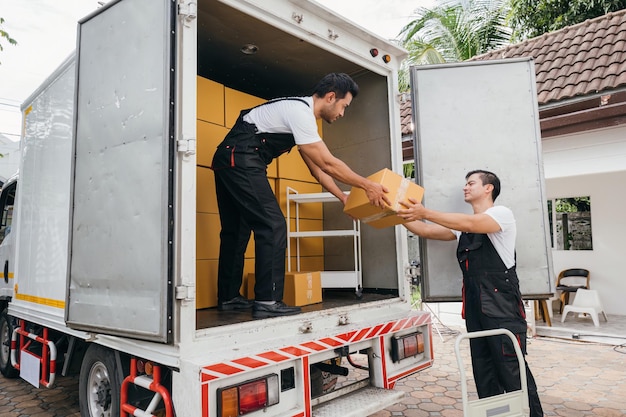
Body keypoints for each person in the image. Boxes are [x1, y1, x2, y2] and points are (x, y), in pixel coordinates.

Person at [210, 73, 390, 319]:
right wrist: (367, 185)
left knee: (237, 230)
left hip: (228, 160)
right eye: (343, 106)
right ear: (330, 97)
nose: (342, 113)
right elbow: (328, 163)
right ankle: (267, 300)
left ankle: (229, 297)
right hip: (241, 159)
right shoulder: (300, 112)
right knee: (272, 226)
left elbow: (316, 169)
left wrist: (342, 196)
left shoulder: (299, 116)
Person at [397, 170, 543, 417]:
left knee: (511, 369)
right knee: (484, 371)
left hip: (502, 307)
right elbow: (424, 230)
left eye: (471, 183)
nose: (465, 187)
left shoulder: (501, 215)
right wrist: (396, 211)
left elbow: (472, 223)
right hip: (477, 308)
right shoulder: (461, 229)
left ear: (489, 188)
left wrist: (426, 212)